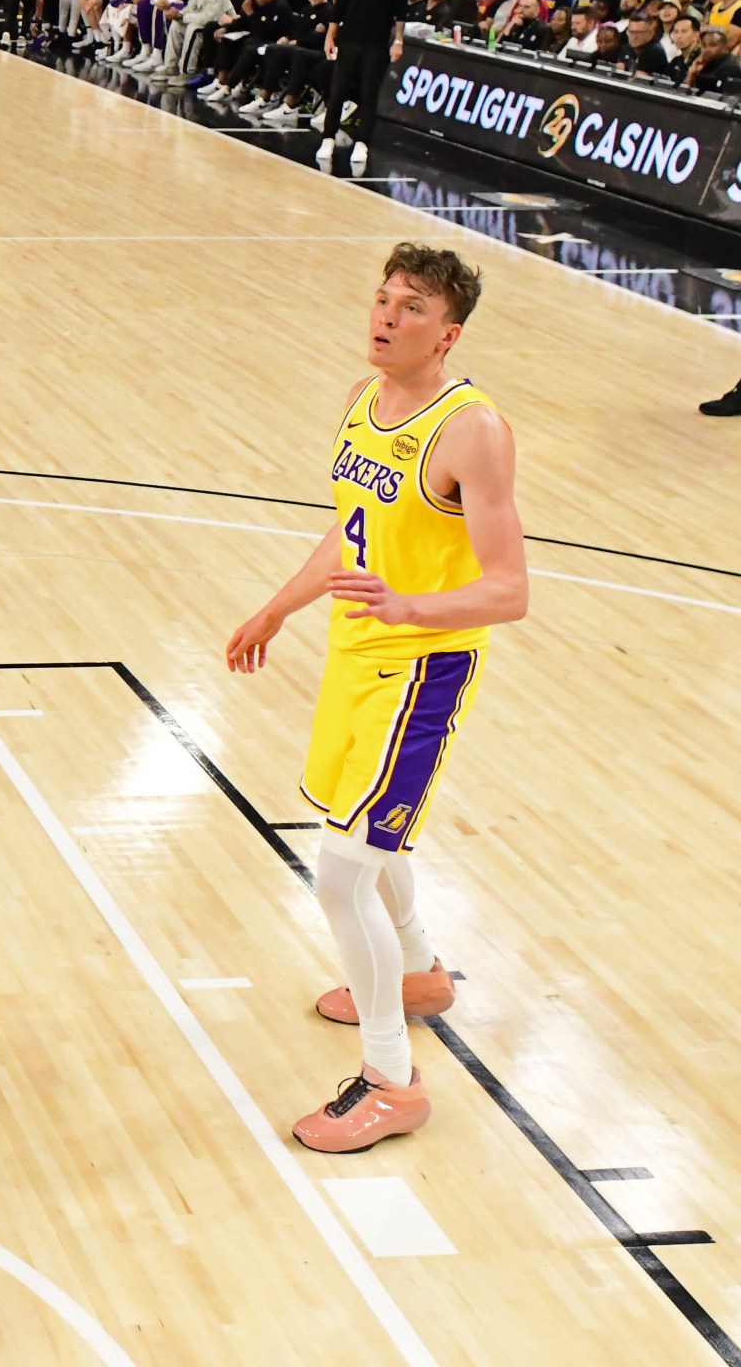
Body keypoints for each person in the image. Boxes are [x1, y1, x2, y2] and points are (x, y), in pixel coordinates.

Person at [225, 245, 527, 1153]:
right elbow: (354, 529)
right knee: (363, 830)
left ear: (449, 334)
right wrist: (278, 605)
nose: (386, 317)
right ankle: (421, 971)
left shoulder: (472, 430)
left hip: (423, 670)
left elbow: (509, 590)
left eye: (411, 307)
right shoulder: (367, 404)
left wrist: (413, 606)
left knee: (341, 870)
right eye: (383, 298)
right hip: (357, 656)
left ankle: (392, 1081)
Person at [320, 0, 410, 175]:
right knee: (338, 89)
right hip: (349, 40)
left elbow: (401, 11)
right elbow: (340, 7)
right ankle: (328, 137)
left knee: (370, 93)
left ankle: (362, 142)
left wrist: (398, 40)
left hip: (378, 42)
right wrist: (330, 35)